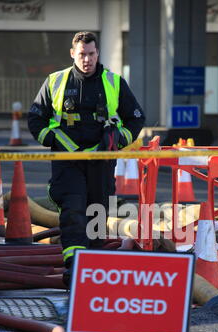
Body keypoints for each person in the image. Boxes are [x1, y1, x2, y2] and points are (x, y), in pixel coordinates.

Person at [28, 31, 145, 287]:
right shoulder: (55, 81)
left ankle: (92, 267)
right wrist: (54, 140)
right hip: (67, 160)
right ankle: (74, 265)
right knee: (72, 210)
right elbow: (35, 119)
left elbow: (136, 118)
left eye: (91, 54)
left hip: (101, 161)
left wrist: (119, 138)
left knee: (96, 213)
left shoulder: (114, 82)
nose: (87, 59)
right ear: (73, 54)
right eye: (82, 54)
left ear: (97, 54)